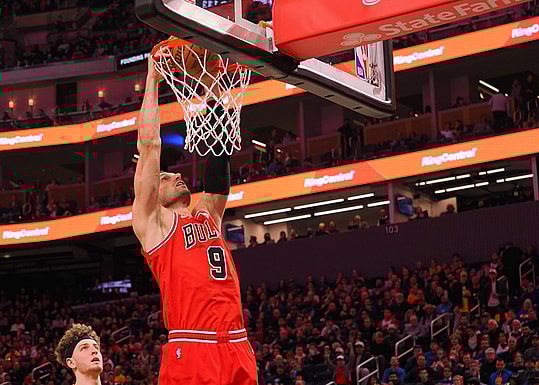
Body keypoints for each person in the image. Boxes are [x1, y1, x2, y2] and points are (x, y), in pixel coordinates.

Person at [131, 49, 257, 384]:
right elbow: (150, 148)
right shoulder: (154, 223)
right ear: (151, 192)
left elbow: (218, 158)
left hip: (236, 341)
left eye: (175, 175)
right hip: (192, 341)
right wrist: (152, 80)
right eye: (164, 177)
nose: (175, 177)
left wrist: (212, 87)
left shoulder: (206, 214)